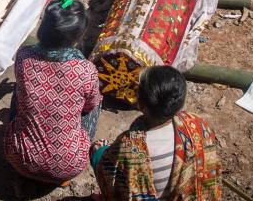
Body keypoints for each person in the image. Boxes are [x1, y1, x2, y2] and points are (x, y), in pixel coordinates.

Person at [4, 0, 101, 185]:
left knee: (19, 89)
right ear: (77, 36)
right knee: (96, 100)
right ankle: (59, 173)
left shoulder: (24, 56)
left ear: (43, 28)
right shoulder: (86, 70)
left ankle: (28, 170)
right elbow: (90, 106)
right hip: (69, 166)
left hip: (19, 157)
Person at [92, 66, 223, 201]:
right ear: (179, 104)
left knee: (98, 148)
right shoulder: (196, 123)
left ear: (141, 104)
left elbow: (110, 172)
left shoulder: (129, 146)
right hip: (191, 195)